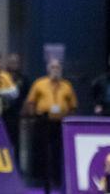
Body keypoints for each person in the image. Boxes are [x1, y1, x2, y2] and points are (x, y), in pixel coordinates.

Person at [24, 59, 78, 188]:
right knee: (40, 151)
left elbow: (73, 106)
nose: (55, 69)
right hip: (43, 122)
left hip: (60, 124)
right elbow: (31, 102)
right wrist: (33, 116)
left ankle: (57, 179)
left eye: (58, 67)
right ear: (48, 69)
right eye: (53, 67)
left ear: (61, 69)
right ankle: (39, 179)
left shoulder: (67, 85)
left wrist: (69, 120)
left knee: (57, 152)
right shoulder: (39, 83)